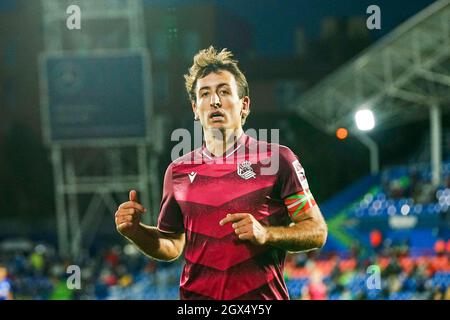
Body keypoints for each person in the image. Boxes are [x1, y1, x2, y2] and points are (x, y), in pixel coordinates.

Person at [115, 46, 327, 300]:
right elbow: (172, 245)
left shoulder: (278, 160)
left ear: (244, 105)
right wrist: (136, 232)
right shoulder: (177, 172)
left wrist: (266, 233)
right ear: (195, 108)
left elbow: (317, 230)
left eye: (224, 92)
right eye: (205, 94)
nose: (215, 100)